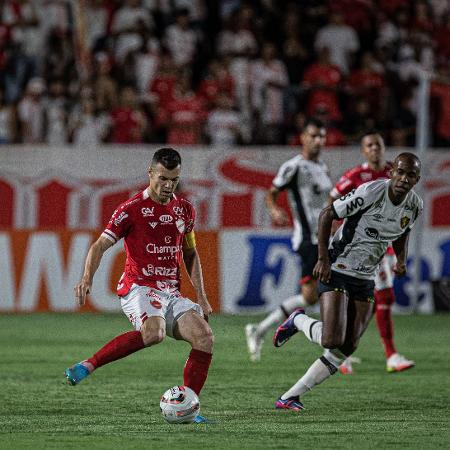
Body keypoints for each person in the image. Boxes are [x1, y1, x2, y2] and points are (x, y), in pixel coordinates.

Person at [65, 148, 214, 423]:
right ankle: (89, 364)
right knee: (154, 333)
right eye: (163, 178)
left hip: (171, 290)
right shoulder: (130, 210)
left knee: (204, 337)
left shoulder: (185, 210)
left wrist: (201, 297)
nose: (168, 185)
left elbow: (190, 253)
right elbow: (100, 245)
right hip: (139, 286)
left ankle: (188, 408)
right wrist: (87, 277)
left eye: (174, 179)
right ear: (150, 173)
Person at [273, 153, 423, 411]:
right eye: (400, 172)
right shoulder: (371, 192)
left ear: (416, 179)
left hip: (366, 277)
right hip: (338, 268)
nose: (403, 178)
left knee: (347, 347)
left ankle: (290, 396)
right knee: (332, 338)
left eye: (410, 175)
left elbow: (402, 231)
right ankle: (298, 319)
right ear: (391, 173)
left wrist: (401, 259)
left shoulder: (414, 205)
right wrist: (323, 259)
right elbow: (327, 214)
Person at [245, 117, 332, 361]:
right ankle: (331, 348)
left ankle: (259, 330)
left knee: (314, 296)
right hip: (307, 239)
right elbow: (272, 193)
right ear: (303, 138)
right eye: (313, 135)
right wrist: (274, 209)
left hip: (323, 238)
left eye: (322, 136)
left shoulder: (322, 168)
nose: (318, 141)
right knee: (317, 293)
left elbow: (326, 202)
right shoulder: (293, 166)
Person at [330, 131, 415, 374]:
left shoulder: (395, 172)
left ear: (384, 147)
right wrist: (338, 233)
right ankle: (341, 353)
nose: (375, 149)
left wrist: (400, 255)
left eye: (378, 144)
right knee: (353, 298)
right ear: (364, 151)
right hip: (359, 247)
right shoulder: (356, 176)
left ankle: (390, 355)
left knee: (385, 298)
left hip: (384, 246)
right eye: (370, 145)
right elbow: (333, 201)